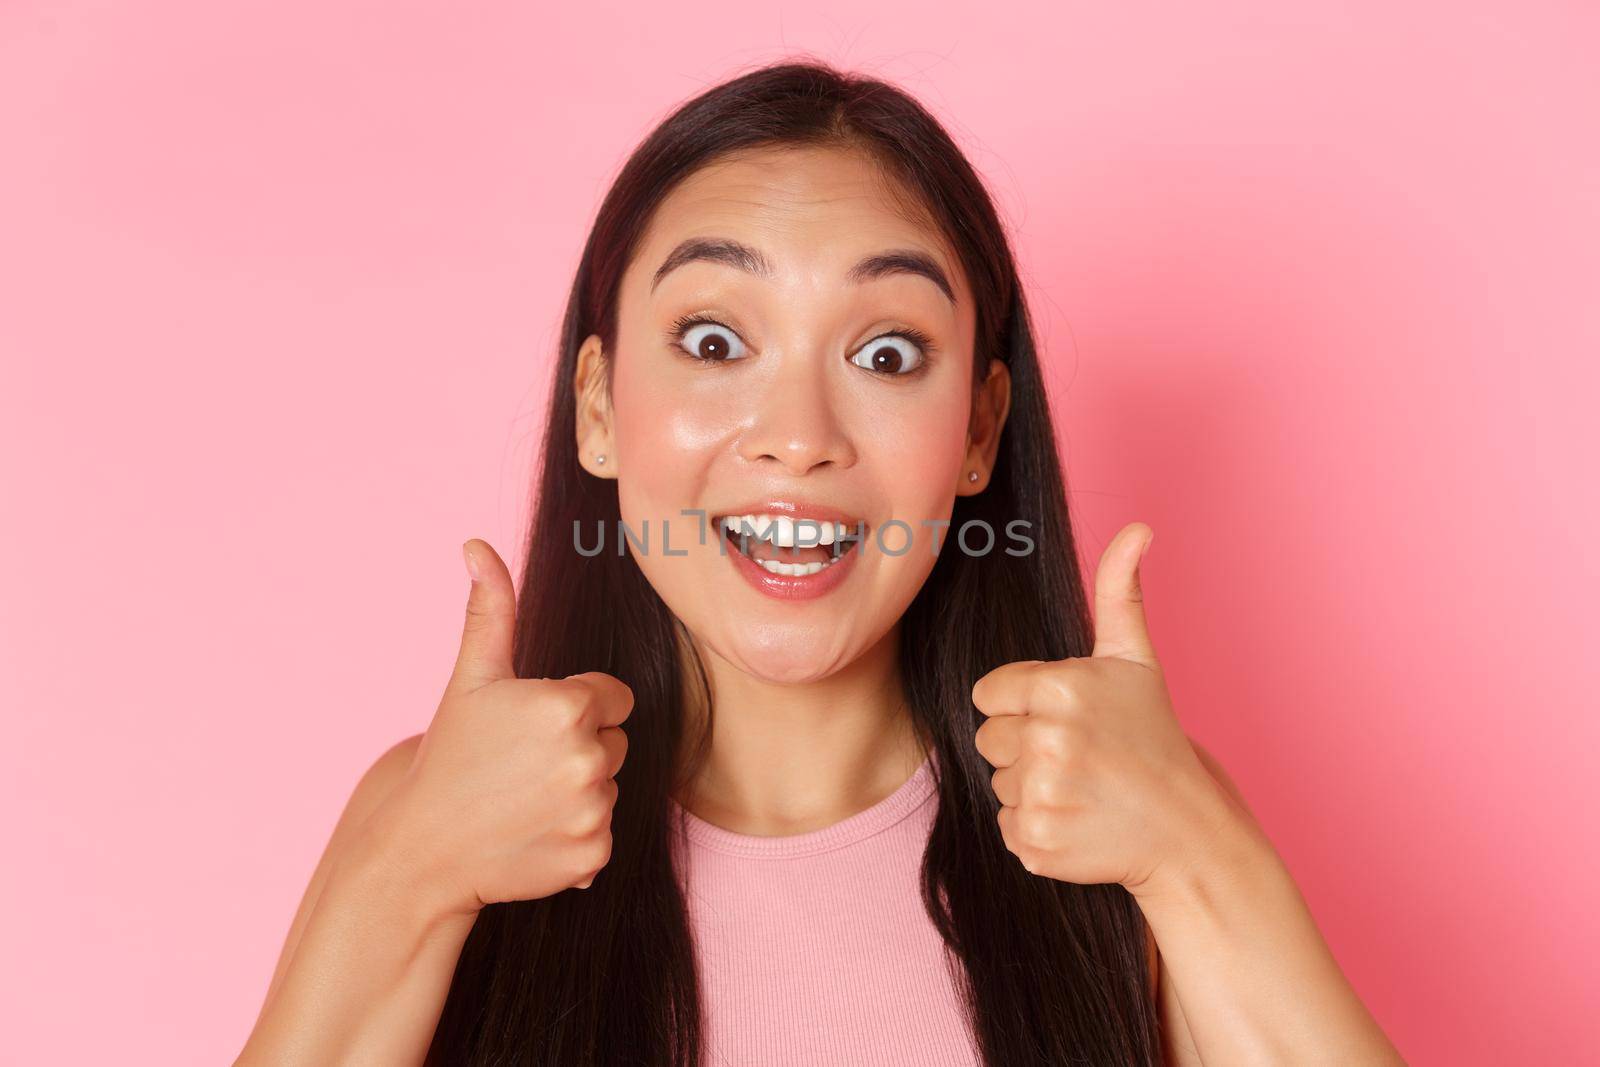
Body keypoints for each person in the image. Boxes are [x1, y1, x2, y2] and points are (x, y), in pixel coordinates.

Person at [236, 59, 1405, 1066]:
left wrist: (1198, 849)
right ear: (597, 406)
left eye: (887, 352)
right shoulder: (432, 819)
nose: (797, 433)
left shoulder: (1134, 824)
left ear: (980, 431)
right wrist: (406, 875)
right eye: (713, 341)